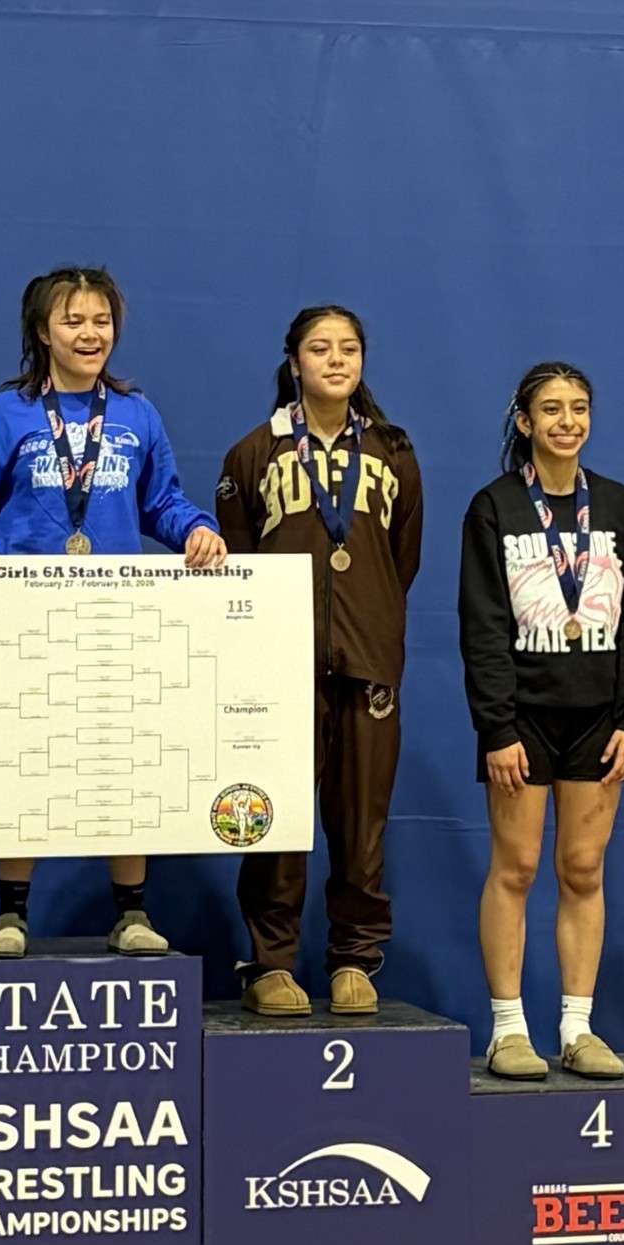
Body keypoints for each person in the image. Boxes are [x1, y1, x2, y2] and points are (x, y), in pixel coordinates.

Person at [0, 265, 227, 959]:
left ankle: (130, 911)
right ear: (43, 331)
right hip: (24, 619)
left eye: (100, 321)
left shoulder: (136, 416)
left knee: (122, 758)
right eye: (73, 320)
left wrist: (195, 530)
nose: (89, 333)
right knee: (23, 756)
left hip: (115, 617)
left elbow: (162, 502)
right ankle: (10, 913)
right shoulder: (4, 414)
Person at [214, 304, 423, 1016]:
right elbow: (238, 560)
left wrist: (370, 621)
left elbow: (404, 561)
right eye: (319, 348)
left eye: (349, 348)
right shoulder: (254, 453)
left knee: (361, 822)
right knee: (276, 814)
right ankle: (270, 963)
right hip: (280, 667)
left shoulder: (393, 452)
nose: (336, 359)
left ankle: (353, 960)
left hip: (368, 662)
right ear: (294, 361)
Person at [458, 361, 624, 1079]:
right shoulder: (495, 508)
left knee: (582, 867)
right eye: (551, 409)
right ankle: (508, 1028)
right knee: (515, 866)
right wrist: (496, 725)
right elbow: (481, 623)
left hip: (599, 718)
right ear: (524, 422)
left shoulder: (621, 507)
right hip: (523, 720)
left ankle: (577, 1026)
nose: (567, 421)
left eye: (579, 407)